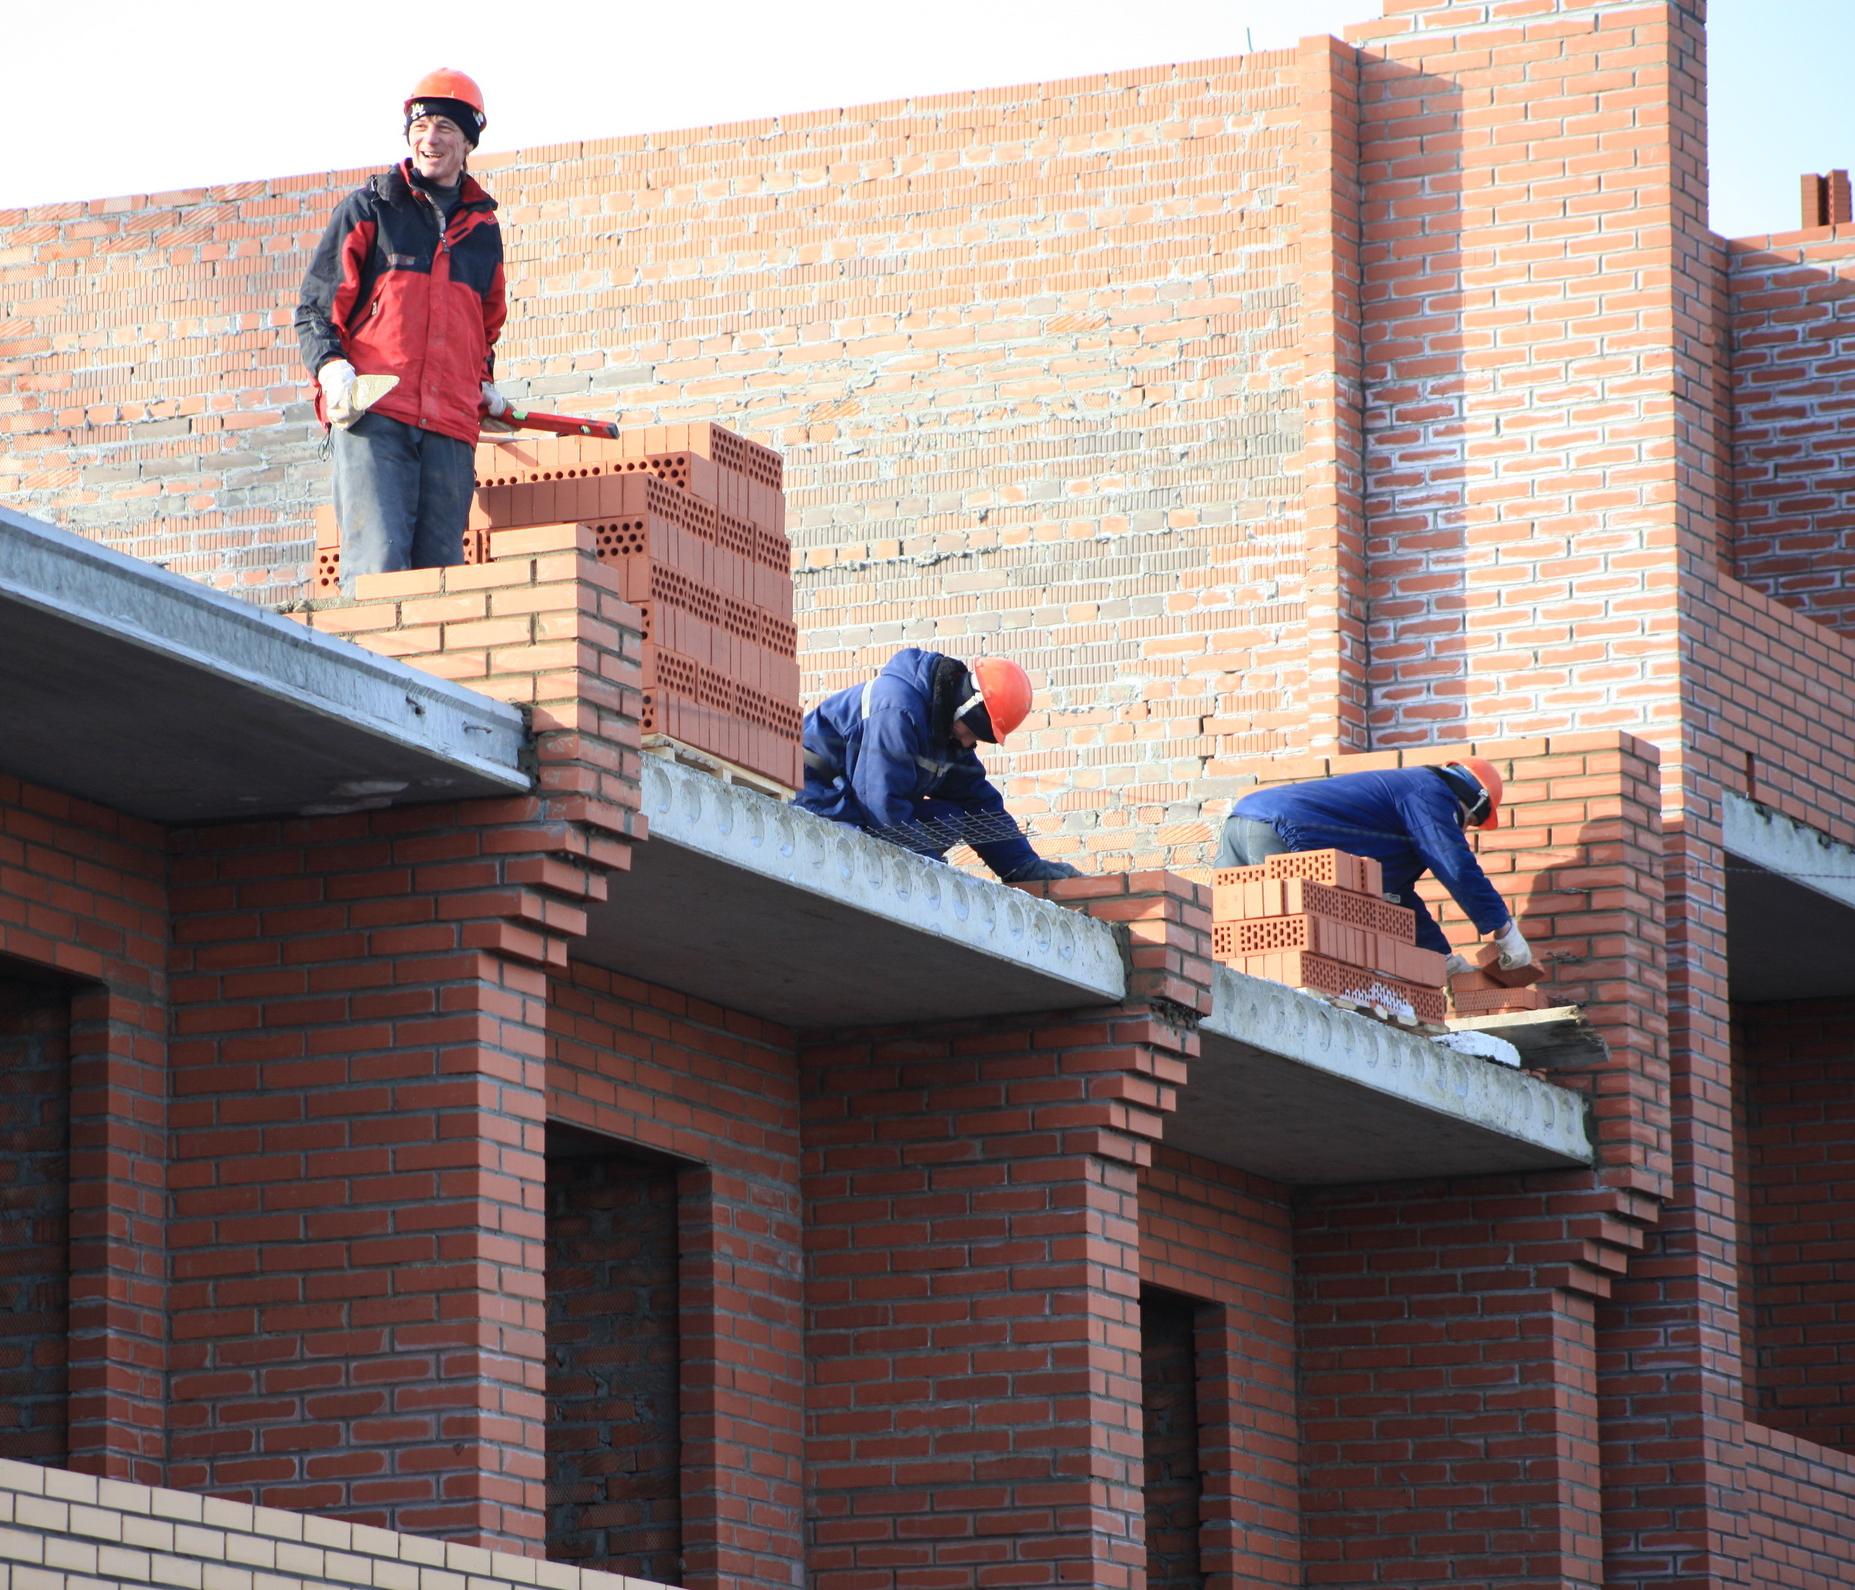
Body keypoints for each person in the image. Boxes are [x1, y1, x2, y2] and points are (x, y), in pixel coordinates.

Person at [295, 68, 509, 586]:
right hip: (377, 412)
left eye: (444, 129)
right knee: (379, 568)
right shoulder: (372, 209)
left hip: (451, 427)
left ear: (468, 141)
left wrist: (482, 383)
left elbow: (485, 324)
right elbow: (316, 307)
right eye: (420, 126)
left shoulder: (483, 232)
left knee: (440, 579)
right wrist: (331, 368)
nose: (429, 140)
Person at [1217, 759, 1531, 975]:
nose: (1462, 832)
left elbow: (1400, 898)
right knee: (1297, 940)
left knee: (1230, 929)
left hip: (1240, 822)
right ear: (1471, 805)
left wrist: (1440, 958)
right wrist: (1503, 929)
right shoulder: (1430, 793)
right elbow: (1457, 866)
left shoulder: (1402, 809)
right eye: (1470, 824)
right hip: (1283, 831)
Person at [796, 648, 1083, 883]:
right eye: (974, 731)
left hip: (860, 807)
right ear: (966, 708)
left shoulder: (948, 734)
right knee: (884, 838)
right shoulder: (897, 709)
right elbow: (881, 802)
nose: (971, 742)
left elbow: (979, 803)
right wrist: (932, 870)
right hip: (814, 793)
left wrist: (1023, 867)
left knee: (951, 817)